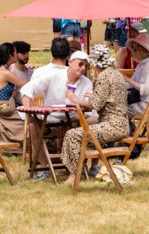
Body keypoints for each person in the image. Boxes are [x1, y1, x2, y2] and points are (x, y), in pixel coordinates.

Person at [19, 49, 93, 180]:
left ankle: (79, 165)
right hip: (51, 119)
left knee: (91, 122)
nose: (82, 69)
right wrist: (28, 111)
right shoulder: (54, 76)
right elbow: (27, 89)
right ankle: (44, 166)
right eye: (80, 64)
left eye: (85, 66)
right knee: (33, 126)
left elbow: (91, 105)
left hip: (74, 119)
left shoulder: (86, 82)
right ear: (70, 62)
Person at [61, 45, 129, 186]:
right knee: (83, 131)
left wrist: (75, 100)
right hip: (121, 124)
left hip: (113, 126)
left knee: (72, 135)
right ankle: (85, 169)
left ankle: (74, 175)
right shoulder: (116, 74)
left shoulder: (103, 77)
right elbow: (108, 98)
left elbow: (93, 105)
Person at [0, 42, 28, 148]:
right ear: (11, 56)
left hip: (4, 104)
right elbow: (25, 84)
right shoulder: (5, 73)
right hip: (5, 108)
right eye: (16, 52)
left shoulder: (2, 70)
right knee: (31, 117)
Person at [124, 33, 149, 117]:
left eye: (135, 50)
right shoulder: (142, 65)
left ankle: (127, 129)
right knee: (117, 109)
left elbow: (146, 90)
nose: (133, 53)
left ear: (144, 51)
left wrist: (127, 79)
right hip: (146, 103)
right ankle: (130, 129)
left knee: (117, 111)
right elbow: (131, 85)